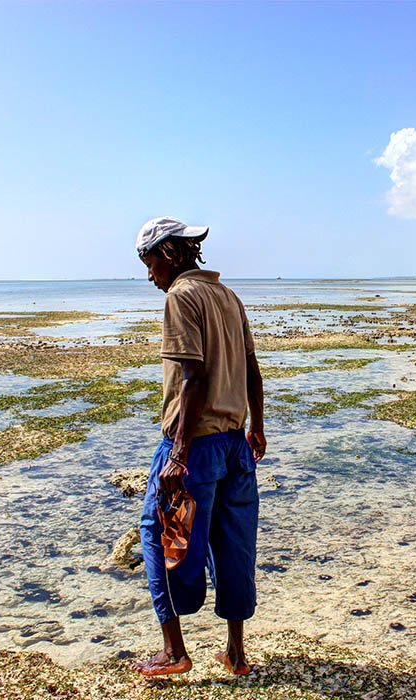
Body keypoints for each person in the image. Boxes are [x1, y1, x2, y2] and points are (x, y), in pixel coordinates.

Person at [132, 216, 266, 677]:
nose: (149, 275)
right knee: (234, 545)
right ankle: (236, 655)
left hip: (195, 446)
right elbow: (252, 370)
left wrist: (178, 455)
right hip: (235, 445)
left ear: (169, 253)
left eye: (149, 263)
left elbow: (193, 379)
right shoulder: (228, 296)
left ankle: (175, 652)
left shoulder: (181, 296)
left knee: (160, 534)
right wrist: (257, 428)